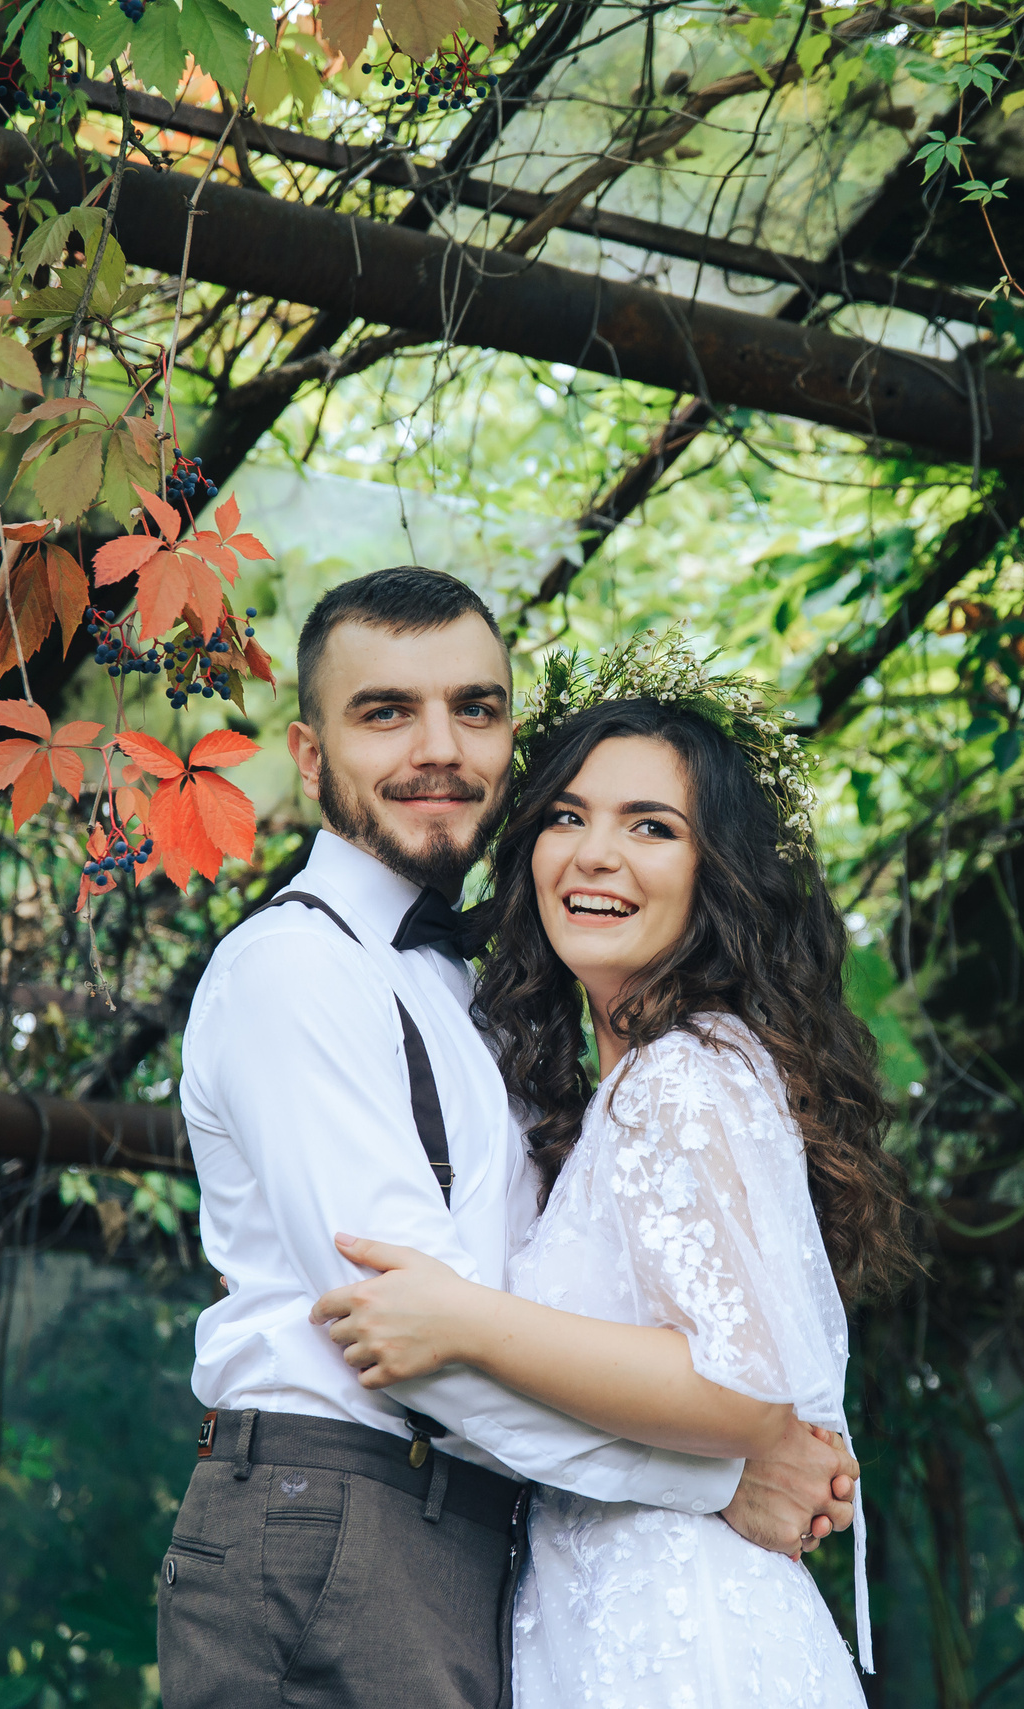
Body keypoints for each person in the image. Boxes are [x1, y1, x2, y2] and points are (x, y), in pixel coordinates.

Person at [162, 570, 860, 1709]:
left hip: (473, 1533)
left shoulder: (480, 996)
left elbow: (498, 1314)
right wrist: (719, 1473)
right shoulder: (295, 971)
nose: (439, 746)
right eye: (385, 711)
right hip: (340, 1510)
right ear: (305, 751)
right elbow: (404, 1335)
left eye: (475, 708)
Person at [311, 629, 916, 1709]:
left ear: (716, 872)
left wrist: (462, 1319)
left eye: (651, 826)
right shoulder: (620, 1090)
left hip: (682, 1636)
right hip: (609, 1618)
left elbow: (738, 1384)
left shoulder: (685, 1074)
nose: (595, 853)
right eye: (565, 817)